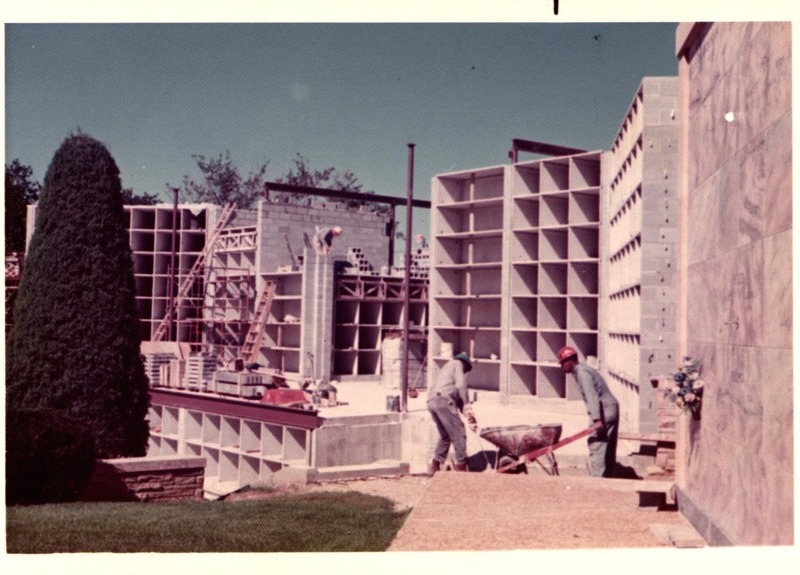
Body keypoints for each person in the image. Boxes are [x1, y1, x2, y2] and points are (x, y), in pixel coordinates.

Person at [557, 346, 619, 478]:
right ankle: (608, 479)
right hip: (610, 408)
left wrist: (596, 419)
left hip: (604, 411)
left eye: (563, 363)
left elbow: (592, 396)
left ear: (570, 361)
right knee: (607, 448)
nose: (562, 367)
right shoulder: (584, 370)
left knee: (596, 444)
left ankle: (597, 480)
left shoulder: (582, 373)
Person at [427, 352, 477, 473]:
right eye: (466, 370)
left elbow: (458, 398)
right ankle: (461, 465)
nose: (465, 373)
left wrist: (469, 416)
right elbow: (461, 385)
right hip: (443, 401)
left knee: (446, 435)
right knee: (459, 432)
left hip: (432, 402)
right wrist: (467, 405)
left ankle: (435, 464)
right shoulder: (458, 363)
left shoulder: (447, 371)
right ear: (465, 364)